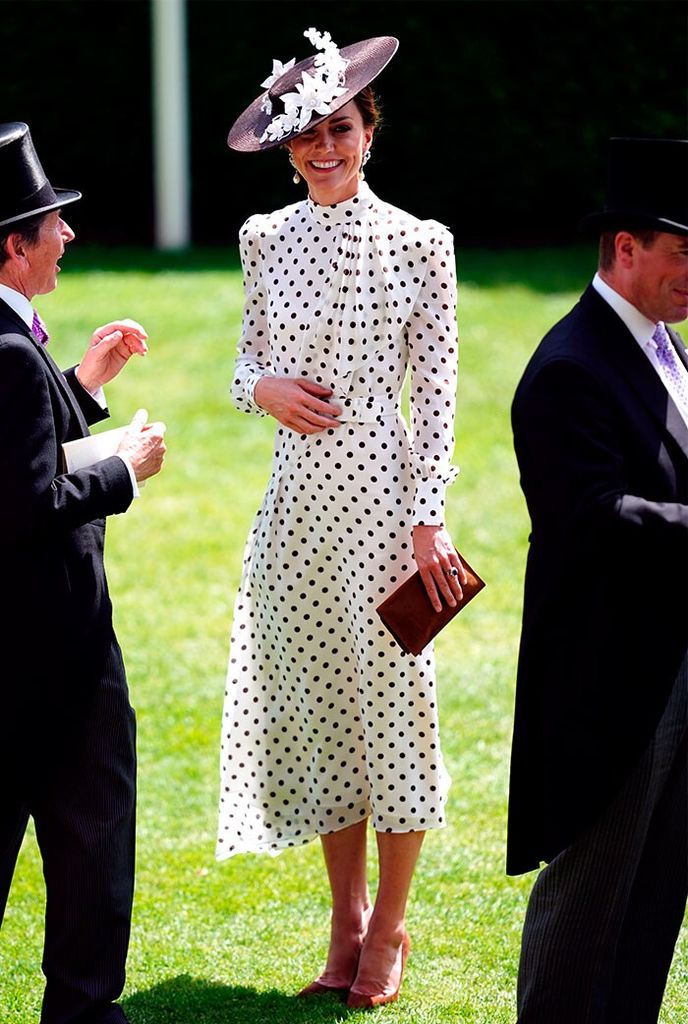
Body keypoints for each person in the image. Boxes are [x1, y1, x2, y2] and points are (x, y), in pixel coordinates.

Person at [217, 28, 465, 1009]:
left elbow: (439, 394)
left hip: (386, 507)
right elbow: (244, 363)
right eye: (310, 134)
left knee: (396, 717)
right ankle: (343, 917)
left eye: (343, 128)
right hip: (297, 513)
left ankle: (390, 927)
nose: (326, 147)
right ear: (286, 149)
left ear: (370, 131)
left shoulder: (422, 242)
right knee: (323, 715)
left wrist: (428, 519)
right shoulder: (260, 240)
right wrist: (263, 388)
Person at [507, 136, 688, 1023]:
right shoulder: (569, 367)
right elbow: (591, 520)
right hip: (608, 688)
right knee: (588, 910)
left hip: (672, 669)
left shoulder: (662, 343)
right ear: (625, 247)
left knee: (655, 901)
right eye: (685, 251)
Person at [0, 121, 166, 1024]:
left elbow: (14, 439)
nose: (67, 234)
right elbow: (24, 501)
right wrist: (123, 471)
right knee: (92, 857)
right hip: (55, 658)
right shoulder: (8, 353)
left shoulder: (13, 346)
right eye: (51, 222)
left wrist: (86, 384)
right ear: (13, 244)